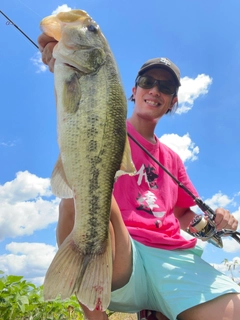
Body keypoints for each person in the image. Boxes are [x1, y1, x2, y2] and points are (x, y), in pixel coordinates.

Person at [38, 33, 240, 320]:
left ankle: (157, 310)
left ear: (172, 101)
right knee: (73, 202)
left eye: (166, 86)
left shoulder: (173, 158)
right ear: (134, 91)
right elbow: (78, 104)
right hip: (123, 255)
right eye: (148, 82)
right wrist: (62, 63)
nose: (155, 90)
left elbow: (183, 213)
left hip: (175, 257)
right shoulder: (105, 125)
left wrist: (214, 223)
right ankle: (95, 315)